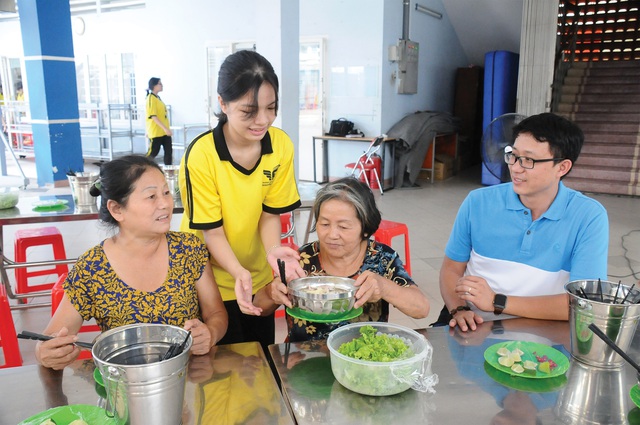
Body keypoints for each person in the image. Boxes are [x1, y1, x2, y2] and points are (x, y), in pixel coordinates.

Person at [36, 155, 228, 370]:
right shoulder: (93, 268)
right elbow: (51, 338)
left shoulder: (188, 249)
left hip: (187, 379)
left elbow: (216, 314)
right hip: (126, 387)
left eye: (166, 192)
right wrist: (47, 352)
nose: (165, 203)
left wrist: (209, 334)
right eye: (151, 196)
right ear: (117, 209)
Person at [437, 112, 609, 331]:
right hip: (473, 323)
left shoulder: (588, 217)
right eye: (513, 155)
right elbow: (451, 269)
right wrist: (459, 309)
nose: (516, 167)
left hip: (543, 328)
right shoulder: (478, 202)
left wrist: (497, 301)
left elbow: (584, 305)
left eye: (529, 160)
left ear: (562, 168)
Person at [179, 50, 303, 351]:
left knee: (258, 362)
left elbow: (269, 213)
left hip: (255, 274)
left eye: (271, 108)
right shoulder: (202, 154)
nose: (263, 121)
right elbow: (212, 231)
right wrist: (237, 272)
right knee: (216, 369)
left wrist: (273, 250)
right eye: (249, 111)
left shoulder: (280, 145)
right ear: (223, 103)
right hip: (205, 277)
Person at [254, 177, 430, 341]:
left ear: (366, 229)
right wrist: (272, 292)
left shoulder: (381, 258)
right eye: (324, 224)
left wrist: (384, 287)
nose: (332, 235)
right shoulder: (303, 258)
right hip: (303, 357)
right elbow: (259, 307)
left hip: (361, 360)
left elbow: (421, 309)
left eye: (343, 227)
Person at [145, 77, 173, 165]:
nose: (162, 85)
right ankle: (140, 167)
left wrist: (166, 129)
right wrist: (165, 129)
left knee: (168, 152)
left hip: (164, 132)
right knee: (153, 153)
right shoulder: (150, 98)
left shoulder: (157, 98)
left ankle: (168, 173)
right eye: (160, 84)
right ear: (154, 86)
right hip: (156, 132)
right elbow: (153, 116)